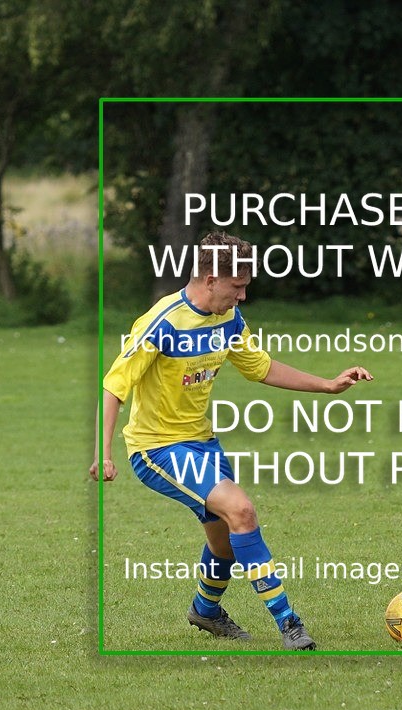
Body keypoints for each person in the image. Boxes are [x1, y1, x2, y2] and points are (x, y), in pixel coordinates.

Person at [90, 231, 373, 650]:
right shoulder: (162, 321)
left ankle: (205, 612)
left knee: (224, 541)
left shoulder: (228, 321)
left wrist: (329, 386)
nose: (242, 296)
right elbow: (114, 386)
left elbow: (261, 368)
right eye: (237, 287)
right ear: (210, 280)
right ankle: (289, 623)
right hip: (157, 449)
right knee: (241, 510)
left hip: (203, 443)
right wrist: (104, 453)